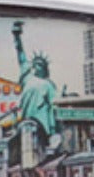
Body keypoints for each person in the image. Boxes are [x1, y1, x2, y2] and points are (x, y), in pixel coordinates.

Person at [11, 20, 62, 151]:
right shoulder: (27, 77)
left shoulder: (48, 85)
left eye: (40, 65)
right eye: (35, 64)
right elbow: (20, 54)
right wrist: (17, 35)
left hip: (42, 121)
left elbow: (55, 104)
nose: (37, 67)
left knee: (40, 145)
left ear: (44, 68)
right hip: (27, 117)